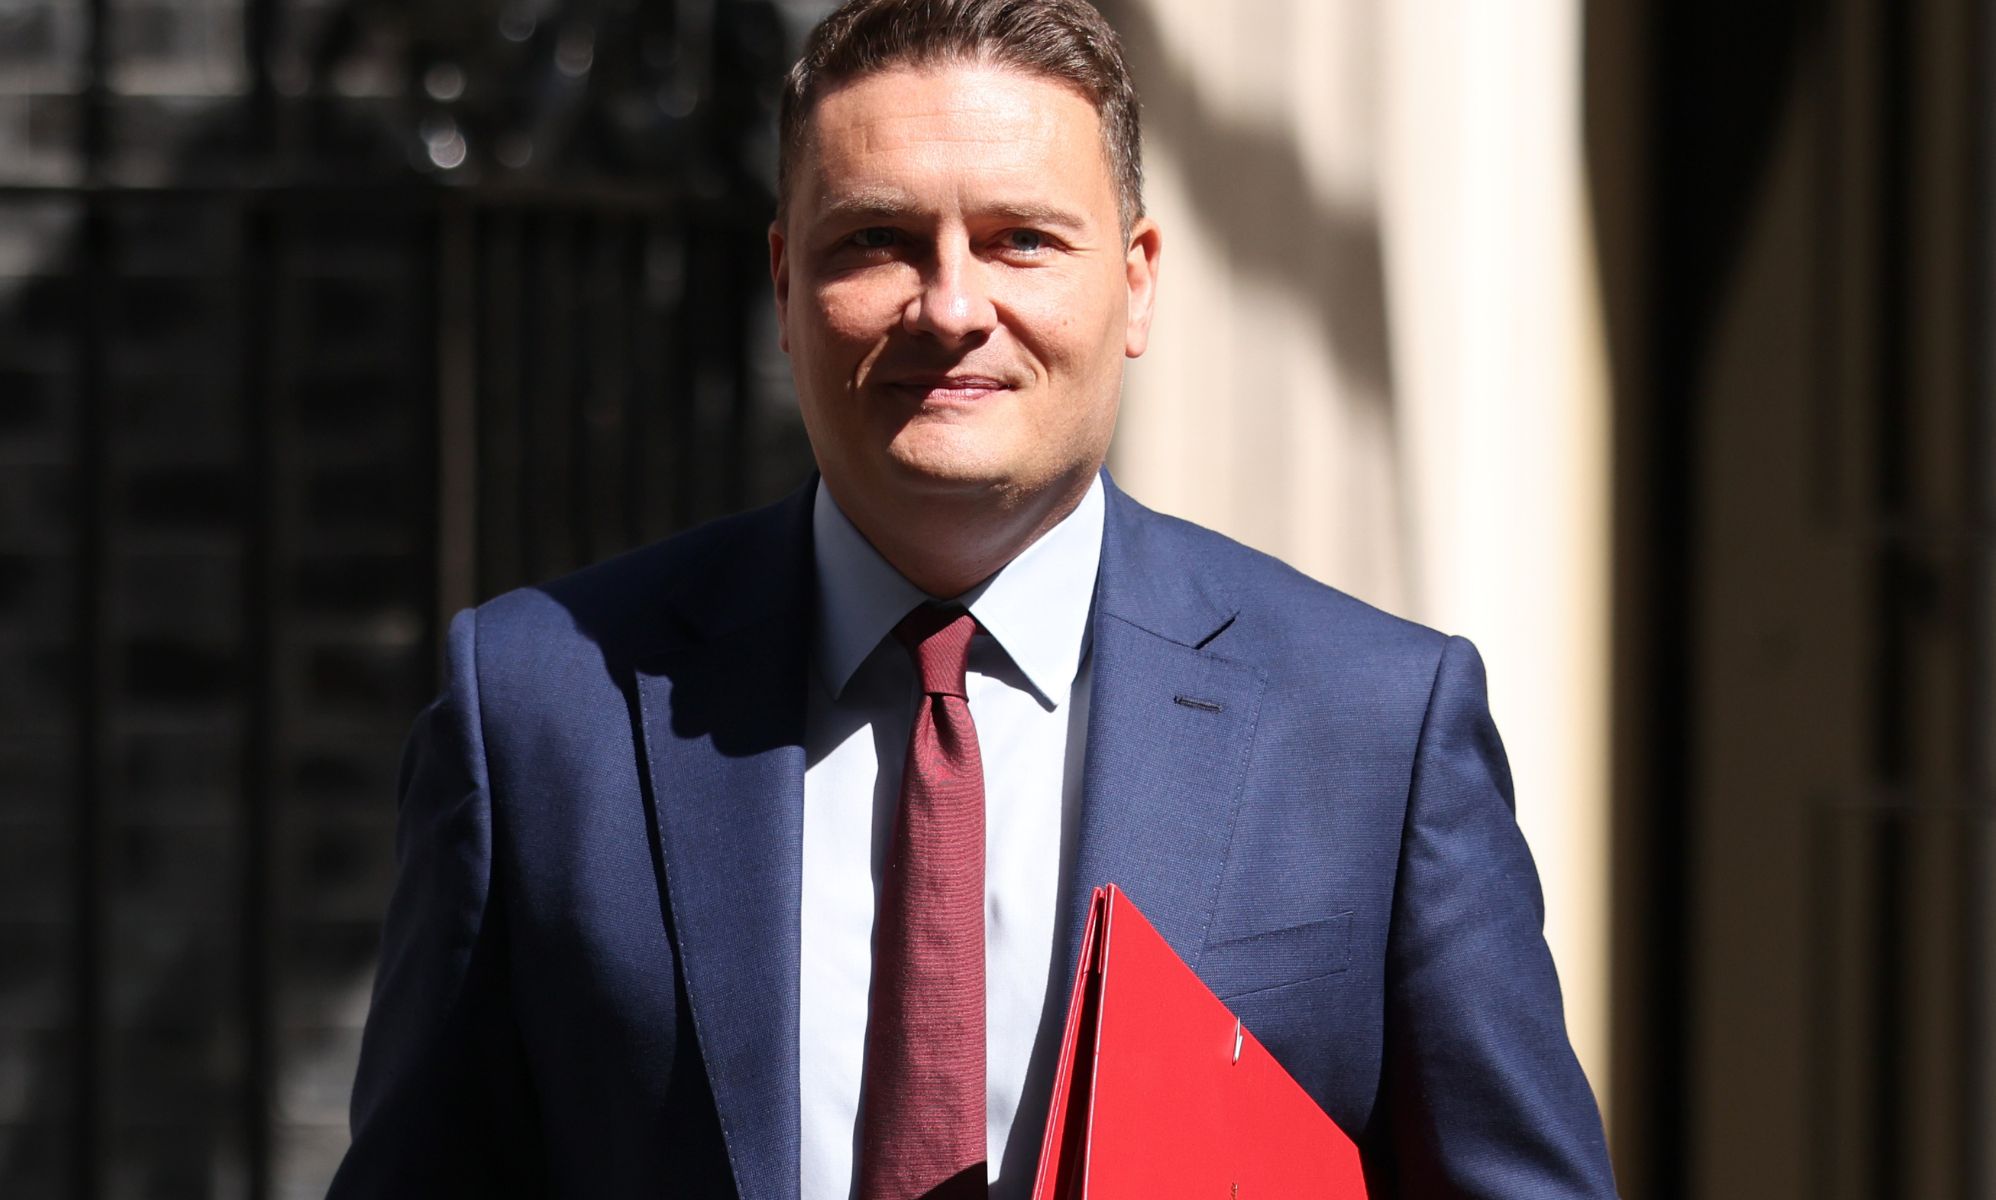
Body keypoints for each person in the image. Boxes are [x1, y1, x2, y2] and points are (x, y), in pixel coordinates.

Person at [329, 0, 1619, 1196]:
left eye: (1021, 241)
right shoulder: (542, 707)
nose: (951, 307)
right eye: (877, 241)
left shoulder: (1373, 726)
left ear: (1139, 281)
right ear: (783, 286)